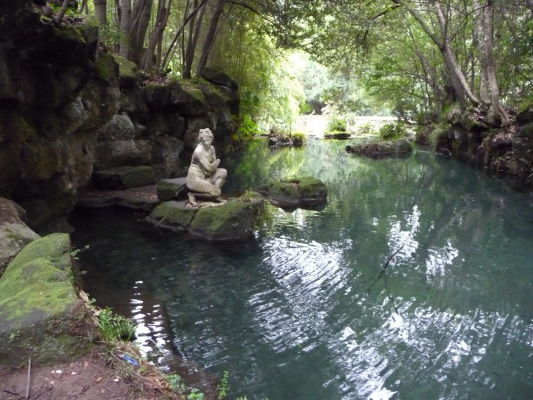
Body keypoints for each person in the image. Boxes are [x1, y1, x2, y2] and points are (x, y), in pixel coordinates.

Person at [186, 128, 227, 205]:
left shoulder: (211, 148)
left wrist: (214, 164)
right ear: (201, 139)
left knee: (223, 172)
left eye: (209, 138)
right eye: (205, 138)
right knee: (217, 192)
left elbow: (212, 166)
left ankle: (214, 194)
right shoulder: (199, 151)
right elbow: (210, 168)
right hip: (195, 179)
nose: (207, 140)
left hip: (206, 176)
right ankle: (194, 195)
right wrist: (218, 161)